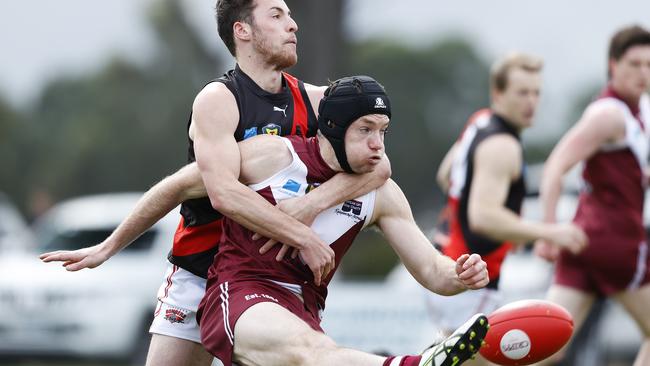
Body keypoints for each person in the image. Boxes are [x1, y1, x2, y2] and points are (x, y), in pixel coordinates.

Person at [40, 1, 389, 365]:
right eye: (277, 15)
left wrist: (309, 206)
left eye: (289, 14)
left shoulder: (315, 100)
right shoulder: (219, 100)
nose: (293, 25)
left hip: (267, 280)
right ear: (243, 31)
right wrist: (108, 247)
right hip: (199, 272)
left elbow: (380, 166)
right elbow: (216, 193)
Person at [190, 75, 491, 366]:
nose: (378, 144)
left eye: (383, 131)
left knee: (317, 352)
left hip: (304, 313)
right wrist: (141, 226)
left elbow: (432, 270)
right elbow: (186, 184)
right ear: (333, 127)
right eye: (365, 129)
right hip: (242, 293)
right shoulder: (274, 156)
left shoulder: (382, 194)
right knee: (313, 351)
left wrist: (460, 274)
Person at [425, 53, 587, 365]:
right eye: (521, 92)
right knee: (511, 358)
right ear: (497, 93)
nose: (531, 102)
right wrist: (552, 232)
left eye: (536, 92)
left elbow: (447, 175)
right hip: (472, 277)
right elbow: (483, 217)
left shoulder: (479, 121)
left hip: (447, 264)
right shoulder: (504, 145)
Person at [533, 25, 650, 366]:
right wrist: (549, 231)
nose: (643, 73)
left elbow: (619, 174)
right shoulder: (609, 115)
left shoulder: (631, 114)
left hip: (584, 245)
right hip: (614, 244)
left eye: (648, 65)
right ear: (613, 66)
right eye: (634, 64)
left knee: (550, 347)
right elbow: (555, 166)